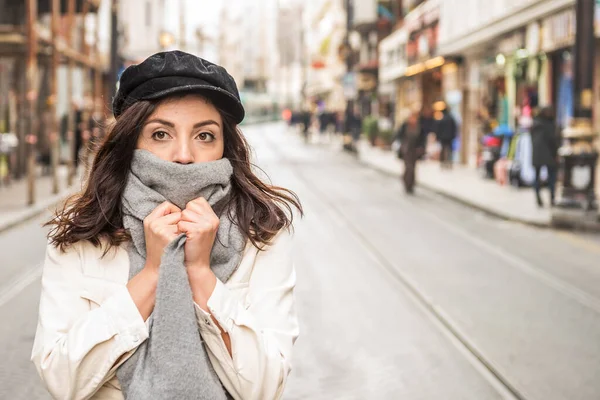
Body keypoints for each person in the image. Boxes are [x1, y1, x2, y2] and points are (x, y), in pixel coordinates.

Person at [31, 50, 302, 400]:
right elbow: (60, 380)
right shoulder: (81, 235)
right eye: (161, 134)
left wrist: (200, 273)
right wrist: (153, 273)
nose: (184, 155)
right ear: (131, 141)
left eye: (204, 135)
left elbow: (266, 386)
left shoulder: (261, 235)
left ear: (224, 146)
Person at [531, 106, 559, 207]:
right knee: (551, 177)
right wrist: (555, 153)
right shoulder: (549, 124)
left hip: (537, 154)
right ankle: (552, 198)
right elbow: (553, 140)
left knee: (537, 177)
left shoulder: (535, 123)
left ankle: (538, 197)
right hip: (549, 155)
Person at [394, 111, 427, 194]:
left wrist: (422, 148)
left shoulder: (419, 127)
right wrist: (400, 145)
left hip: (415, 150)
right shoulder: (405, 126)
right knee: (408, 167)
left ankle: (411, 184)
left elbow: (423, 139)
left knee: (413, 168)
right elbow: (398, 136)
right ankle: (406, 183)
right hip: (406, 150)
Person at [435, 104, 457, 169]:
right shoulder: (451, 118)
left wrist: (438, 136)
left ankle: (443, 162)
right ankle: (449, 162)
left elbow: (438, 129)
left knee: (443, 149)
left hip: (443, 137)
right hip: (449, 137)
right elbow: (454, 128)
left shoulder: (442, 118)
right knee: (449, 150)